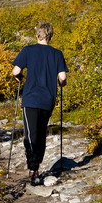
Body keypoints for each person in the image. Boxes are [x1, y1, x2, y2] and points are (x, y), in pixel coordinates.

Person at [12, 22, 68, 185]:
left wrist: (17, 77)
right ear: (50, 36)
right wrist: (61, 84)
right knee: (41, 133)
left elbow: (16, 71)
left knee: (30, 134)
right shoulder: (57, 54)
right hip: (48, 99)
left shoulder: (28, 50)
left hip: (30, 98)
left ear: (37, 34)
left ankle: (33, 169)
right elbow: (63, 77)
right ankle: (36, 168)